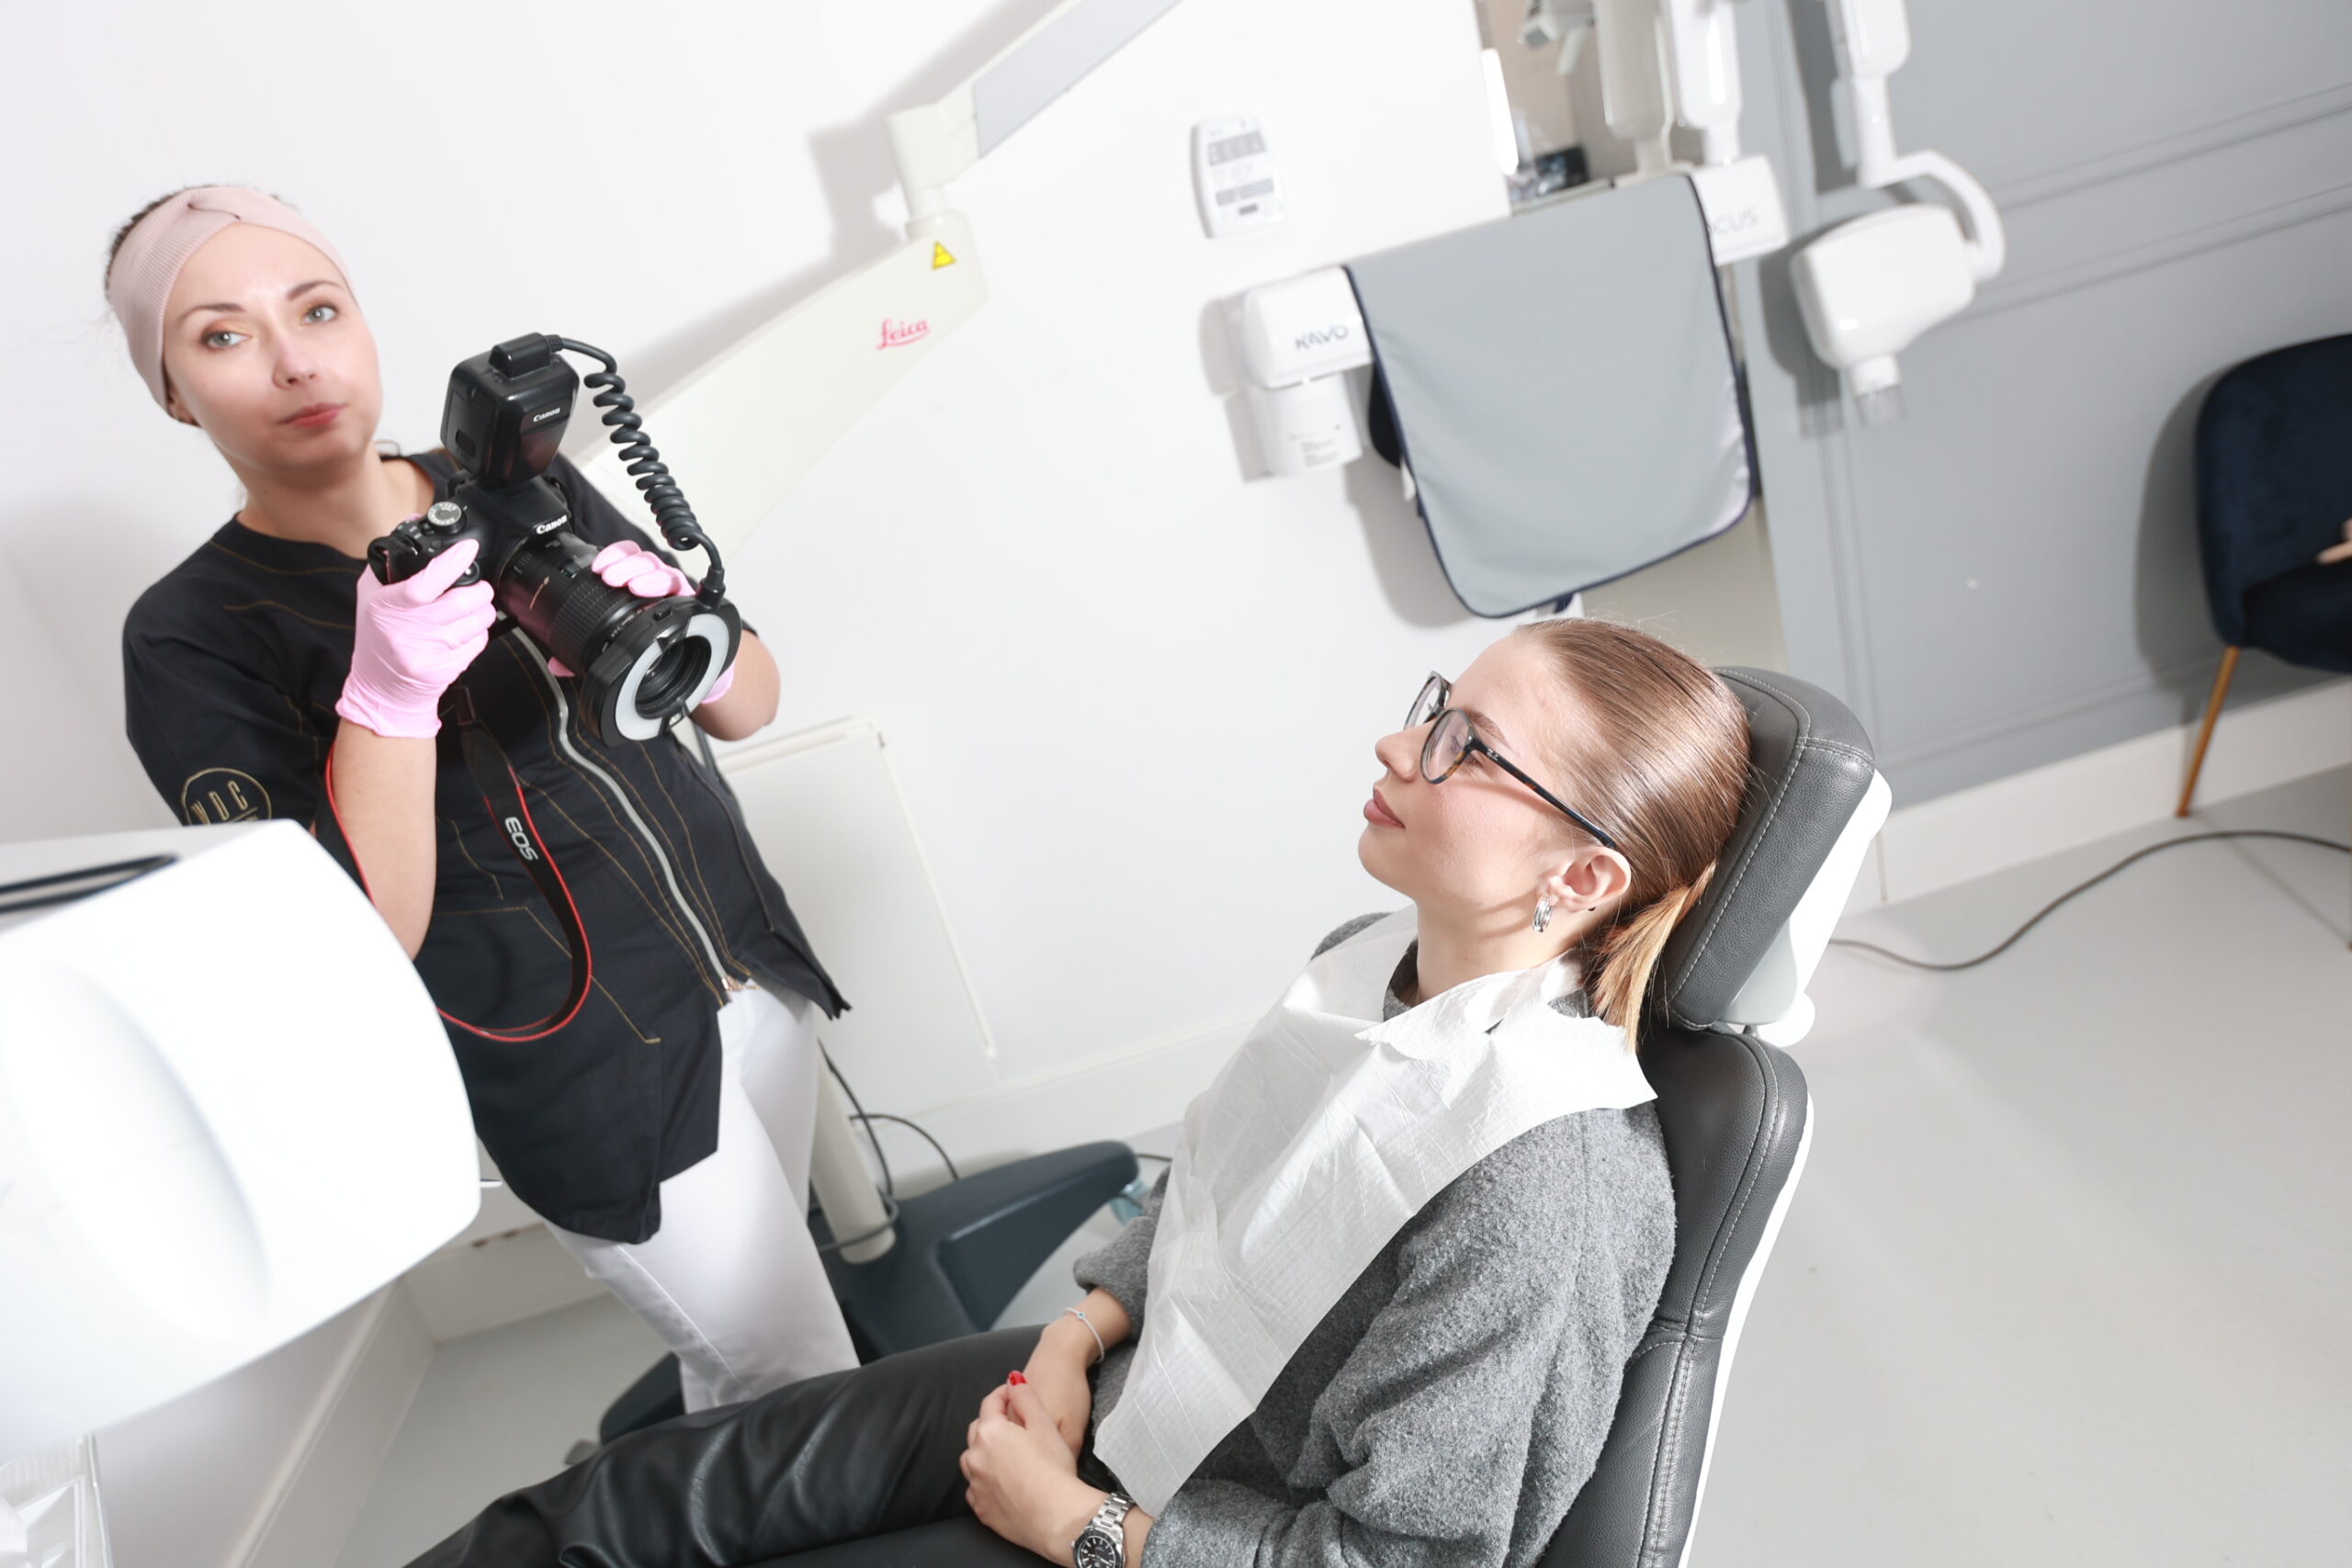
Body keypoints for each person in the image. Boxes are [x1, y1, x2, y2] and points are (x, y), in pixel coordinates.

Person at [402, 616, 1753, 1568]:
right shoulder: (1369, 967)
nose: (1401, 752)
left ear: (1582, 880)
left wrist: (1072, 1522)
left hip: (1177, 1531)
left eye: (1468, 747)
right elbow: (1222, 1202)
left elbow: (1400, 1564)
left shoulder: (1540, 1184)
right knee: (627, 1506)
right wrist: (1069, 1342)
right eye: (1434, 711)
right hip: (1125, 1393)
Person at [108, 186, 860, 1408]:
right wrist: (387, 698)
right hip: (596, 1073)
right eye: (223, 334)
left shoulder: (509, 479)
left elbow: (749, 702)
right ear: (172, 388)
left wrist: (676, 615)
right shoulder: (191, 636)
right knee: (808, 1386)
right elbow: (359, 939)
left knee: (767, 1369)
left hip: (748, 973)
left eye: (318, 308)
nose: (298, 361)